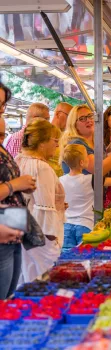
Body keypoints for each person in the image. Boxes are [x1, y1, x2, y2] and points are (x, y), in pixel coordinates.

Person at [15, 119, 65, 283]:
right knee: (43, 283)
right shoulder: (41, 167)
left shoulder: (19, 160)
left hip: (22, 233)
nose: (57, 146)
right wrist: (53, 244)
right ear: (42, 143)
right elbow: (45, 208)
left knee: (26, 281)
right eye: (55, 141)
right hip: (40, 239)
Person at [0, 83, 36, 299]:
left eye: (3, 105)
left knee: (9, 296)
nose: (2, 110)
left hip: (12, 228)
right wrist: (16, 185)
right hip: (2, 231)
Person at [60, 144, 111, 251]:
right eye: (87, 155)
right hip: (85, 225)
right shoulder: (90, 179)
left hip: (66, 226)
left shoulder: (60, 180)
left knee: (66, 259)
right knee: (86, 257)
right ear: (81, 162)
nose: (89, 157)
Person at [59, 104, 111, 177]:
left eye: (90, 116)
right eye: (82, 118)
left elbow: (104, 153)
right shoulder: (76, 143)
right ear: (74, 124)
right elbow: (98, 170)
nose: (89, 120)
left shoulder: (95, 138)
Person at [48, 102, 73, 178]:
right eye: (69, 117)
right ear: (58, 114)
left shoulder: (66, 136)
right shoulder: (45, 133)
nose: (71, 121)